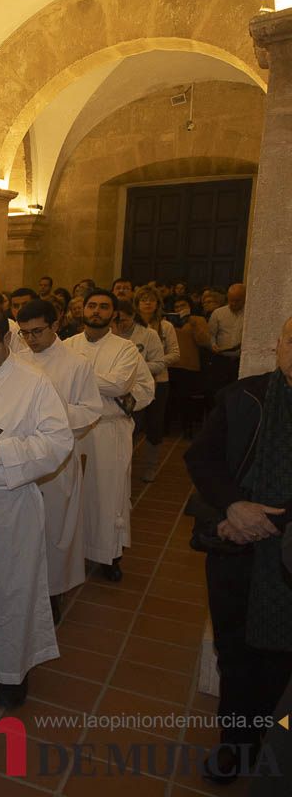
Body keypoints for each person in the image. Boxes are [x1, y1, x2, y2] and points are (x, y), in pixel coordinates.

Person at [185, 315, 292, 785]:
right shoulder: (244, 396)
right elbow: (201, 458)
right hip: (234, 549)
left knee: (283, 662)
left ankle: (280, 747)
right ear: (278, 345)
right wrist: (234, 506)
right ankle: (236, 744)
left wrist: (270, 521)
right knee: (235, 650)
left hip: (287, 558)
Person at [0, 307, 72, 707]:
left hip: (10, 504)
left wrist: (2, 452)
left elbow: (59, 442)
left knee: (10, 590)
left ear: (8, 340)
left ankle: (12, 672)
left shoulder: (34, 382)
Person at [15, 300, 102, 616]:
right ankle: (24, 589)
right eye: (24, 333)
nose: (31, 339)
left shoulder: (75, 364)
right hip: (23, 455)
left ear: (55, 325)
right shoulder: (17, 360)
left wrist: (52, 412)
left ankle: (53, 593)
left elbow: (92, 409)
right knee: (24, 528)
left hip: (57, 459)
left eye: (37, 331)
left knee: (54, 527)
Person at [66, 290, 154, 581]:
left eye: (104, 307)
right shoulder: (67, 345)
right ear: (82, 310)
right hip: (75, 430)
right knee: (76, 494)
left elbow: (119, 384)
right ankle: (74, 552)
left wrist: (74, 375)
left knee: (108, 494)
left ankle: (109, 555)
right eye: (92, 306)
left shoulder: (125, 348)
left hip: (107, 431)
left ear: (113, 313)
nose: (96, 311)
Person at [132, 286, 181, 480]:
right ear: (136, 304)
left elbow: (175, 353)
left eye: (151, 299)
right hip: (135, 383)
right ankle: (127, 461)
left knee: (154, 424)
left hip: (159, 381)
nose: (147, 302)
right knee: (134, 424)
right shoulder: (131, 327)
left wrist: (153, 365)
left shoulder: (165, 326)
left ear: (158, 304)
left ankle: (150, 466)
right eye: (143, 299)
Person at [167, 294, 211, 437]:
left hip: (189, 364)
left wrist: (193, 325)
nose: (180, 309)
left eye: (183, 306)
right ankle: (167, 428)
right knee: (170, 398)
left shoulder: (198, 320)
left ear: (190, 307)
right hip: (171, 364)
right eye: (177, 307)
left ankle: (187, 428)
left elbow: (204, 341)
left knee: (186, 399)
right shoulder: (168, 321)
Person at [207, 283, 246, 398]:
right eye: (231, 300)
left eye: (237, 301)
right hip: (221, 359)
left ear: (245, 298)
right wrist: (213, 345)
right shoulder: (218, 313)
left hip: (239, 360)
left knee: (237, 392)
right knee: (219, 392)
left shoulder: (249, 314)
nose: (233, 304)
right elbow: (211, 334)